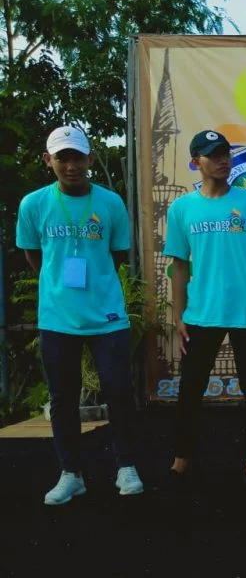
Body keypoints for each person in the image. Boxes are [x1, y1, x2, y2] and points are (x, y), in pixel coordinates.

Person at [15, 126, 144, 504]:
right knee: (63, 398)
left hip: (107, 317)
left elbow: (117, 255)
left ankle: (127, 466)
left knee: (119, 392)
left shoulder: (110, 203)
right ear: (48, 160)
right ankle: (71, 474)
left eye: (77, 157)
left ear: (89, 158)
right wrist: (57, 286)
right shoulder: (33, 204)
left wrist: (95, 286)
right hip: (57, 318)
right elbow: (33, 254)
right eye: (62, 157)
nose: (71, 165)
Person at [163, 129, 246, 492]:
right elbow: (179, 265)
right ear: (196, 160)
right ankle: (182, 460)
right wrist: (178, 316)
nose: (223, 160)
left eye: (226, 153)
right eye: (213, 154)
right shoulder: (182, 208)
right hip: (200, 314)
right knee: (190, 392)